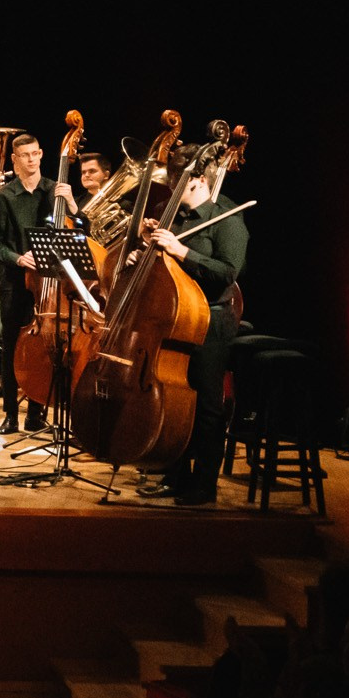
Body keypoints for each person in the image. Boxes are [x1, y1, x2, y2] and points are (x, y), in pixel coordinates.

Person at [140, 154, 250, 507]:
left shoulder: (228, 220)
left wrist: (182, 250)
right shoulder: (174, 214)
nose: (171, 188)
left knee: (205, 404)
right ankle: (175, 473)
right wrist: (143, 251)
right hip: (174, 318)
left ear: (200, 179)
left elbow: (228, 274)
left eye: (178, 181)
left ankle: (204, 484)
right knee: (173, 398)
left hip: (210, 319)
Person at [0, 134, 72, 434]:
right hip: (16, 283)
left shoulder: (55, 192)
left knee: (46, 349)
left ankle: (36, 412)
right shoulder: (3, 197)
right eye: (25, 155)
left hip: (54, 287)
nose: (31, 160)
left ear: (42, 153)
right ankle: (10, 415)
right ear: (14, 160)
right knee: (12, 348)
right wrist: (18, 259)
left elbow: (82, 230)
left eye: (35, 154)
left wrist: (71, 204)